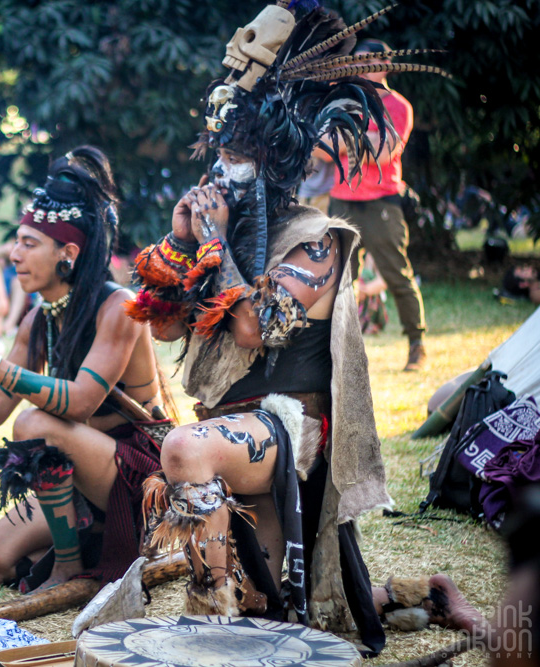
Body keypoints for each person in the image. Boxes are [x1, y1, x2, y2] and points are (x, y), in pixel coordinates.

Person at [127, 4, 475, 654]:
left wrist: (215, 244)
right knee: (298, 611)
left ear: (273, 160)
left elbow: (258, 326)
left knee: (181, 449)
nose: (221, 169)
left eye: (237, 155)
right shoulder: (216, 225)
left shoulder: (317, 241)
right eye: (220, 153)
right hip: (232, 425)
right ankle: (423, 594)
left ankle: (208, 631)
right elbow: (170, 327)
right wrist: (181, 241)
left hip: (293, 428)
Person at [0, 147, 170, 590]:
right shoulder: (38, 318)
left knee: (36, 422)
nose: (14, 255)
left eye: (29, 243)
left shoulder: (120, 306)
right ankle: (77, 541)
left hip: (136, 477)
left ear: (68, 253)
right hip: (74, 478)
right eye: (17, 242)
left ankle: (65, 566)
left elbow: (81, 400)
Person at [328, 39, 428, 372]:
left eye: (370, 61)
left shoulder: (399, 106)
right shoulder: (342, 99)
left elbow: (385, 153)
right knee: (337, 281)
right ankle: (335, 354)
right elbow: (320, 146)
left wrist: (346, 140)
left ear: (385, 64)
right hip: (342, 200)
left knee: (397, 274)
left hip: (381, 201)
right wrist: (366, 138)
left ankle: (417, 345)